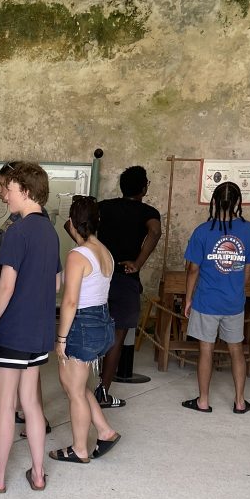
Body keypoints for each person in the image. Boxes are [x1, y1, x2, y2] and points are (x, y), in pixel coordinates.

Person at [0, 162, 59, 495]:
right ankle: (38, 473)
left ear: (24, 191)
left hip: (13, 330)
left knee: (6, 405)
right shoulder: (50, 231)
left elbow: (7, 287)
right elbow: (56, 283)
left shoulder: (17, 232)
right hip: (39, 329)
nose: (5, 195)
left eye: (8, 189)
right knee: (32, 404)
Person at [182, 181, 250, 414]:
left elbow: (193, 269)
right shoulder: (249, 230)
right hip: (233, 303)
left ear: (214, 202)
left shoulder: (202, 231)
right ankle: (240, 402)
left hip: (206, 300)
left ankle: (203, 401)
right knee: (236, 350)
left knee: (206, 350)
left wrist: (188, 299)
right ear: (237, 202)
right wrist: (237, 287)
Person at [51, 197, 121, 463]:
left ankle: (79, 449)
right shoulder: (105, 251)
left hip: (82, 323)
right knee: (76, 386)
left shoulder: (77, 255)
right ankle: (105, 431)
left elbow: (70, 301)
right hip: (102, 321)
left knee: (74, 390)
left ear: (71, 222)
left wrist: (61, 338)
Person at [94, 165, 162, 408]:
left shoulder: (103, 207)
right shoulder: (148, 212)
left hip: (100, 276)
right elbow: (155, 231)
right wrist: (138, 263)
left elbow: (74, 223)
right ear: (144, 188)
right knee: (117, 337)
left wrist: (94, 252)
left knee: (91, 330)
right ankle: (102, 392)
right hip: (125, 279)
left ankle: (79, 389)